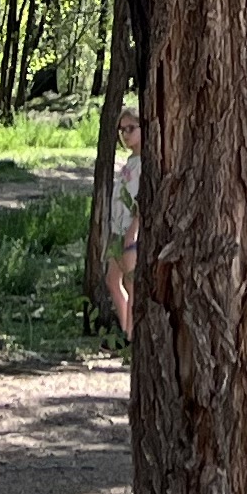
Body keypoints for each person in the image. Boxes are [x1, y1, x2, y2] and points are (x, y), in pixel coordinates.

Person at [102, 98, 143, 336]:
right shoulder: (130, 162)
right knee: (112, 280)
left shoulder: (144, 163)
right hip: (118, 229)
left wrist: (133, 232)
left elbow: (142, 200)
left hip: (130, 232)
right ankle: (127, 331)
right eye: (122, 130)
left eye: (131, 128)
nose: (125, 134)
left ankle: (133, 336)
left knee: (131, 282)